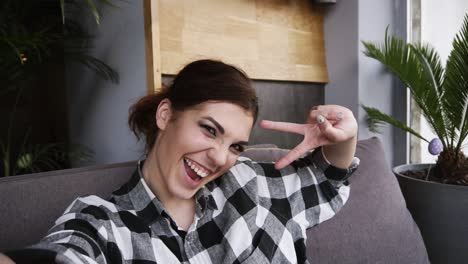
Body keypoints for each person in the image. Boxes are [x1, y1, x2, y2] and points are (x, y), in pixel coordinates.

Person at [2, 59, 359, 263]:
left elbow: (327, 181)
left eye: (236, 146)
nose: (220, 157)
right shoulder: (104, 223)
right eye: (209, 129)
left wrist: (346, 134)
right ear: (165, 115)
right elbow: (66, 254)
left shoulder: (252, 183)